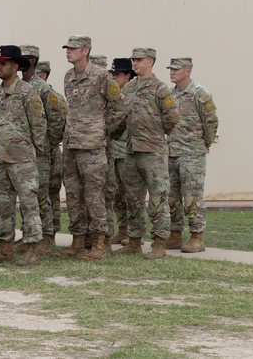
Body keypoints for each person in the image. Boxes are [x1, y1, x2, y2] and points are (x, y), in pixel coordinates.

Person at [55, 37, 124, 261]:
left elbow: (119, 109)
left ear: (85, 51)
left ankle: (99, 243)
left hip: (93, 146)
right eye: (67, 48)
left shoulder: (102, 76)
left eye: (73, 48)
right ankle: (77, 241)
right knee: (74, 195)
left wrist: (102, 130)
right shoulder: (68, 76)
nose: (68, 52)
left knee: (95, 196)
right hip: (72, 144)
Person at [0, 46, 46, 265]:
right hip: (1, 158)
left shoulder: (28, 92)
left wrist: (36, 152)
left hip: (23, 159)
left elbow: (39, 125)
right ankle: (5, 248)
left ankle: (31, 249)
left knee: (29, 205)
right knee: (3, 206)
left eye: (3, 63)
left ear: (16, 66)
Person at [115, 47, 180, 260]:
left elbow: (172, 116)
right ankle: (134, 241)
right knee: (133, 199)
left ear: (150, 62)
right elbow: (123, 115)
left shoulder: (160, 88)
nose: (135, 63)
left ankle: (160, 242)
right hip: (131, 151)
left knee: (158, 199)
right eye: (133, 59)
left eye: (139, 60)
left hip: (153, 152)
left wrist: (156, 133)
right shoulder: (130, 87)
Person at [166, 57, 219, 253]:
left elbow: (211, 121)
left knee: (192, 196)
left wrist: (203, 143)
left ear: (187, 71)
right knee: (172, 196)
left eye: (176, 69)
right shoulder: (170, 94)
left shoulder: (199, 93)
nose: (171, 72)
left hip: (192, 154)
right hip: (172, 152)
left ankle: (197, 237)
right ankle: (175, 234)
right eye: (170, 69)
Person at [20, 45, 67, 255]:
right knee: (26, 195)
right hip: (22, 152)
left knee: (42, 194)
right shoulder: (19, 86)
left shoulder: (43, 89)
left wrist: (45, 145)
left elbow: (57, 120)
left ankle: (47, 236)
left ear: (31, 60)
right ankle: (29, 234)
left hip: (40, 152)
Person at [108, 58, 135, 245]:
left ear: (127, 75)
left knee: (131, 194)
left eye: (118, 74)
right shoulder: (113, 93)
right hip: (114, 150)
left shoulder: (133, 92)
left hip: (128, 150)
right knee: (117, 194)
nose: (115, 77)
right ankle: (123, 229)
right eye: (113, 74)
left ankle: (135, 233)